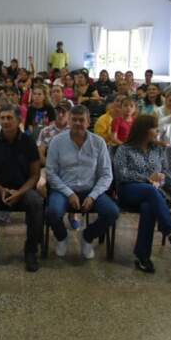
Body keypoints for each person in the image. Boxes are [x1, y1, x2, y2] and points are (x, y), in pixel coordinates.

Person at [114, 115, 171, 273]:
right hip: (129, 190)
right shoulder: (124, 149)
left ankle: (143, 258)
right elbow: (121, 174)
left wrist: (164, 181)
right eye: (155, 128)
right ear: (144, 130)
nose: (158, 131)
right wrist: (148, 179)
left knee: (148, 207)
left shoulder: (159, 149)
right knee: (150, 191)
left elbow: (166, 174)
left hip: (153, 194)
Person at [45, 105, 119, 260]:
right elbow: (50, 173)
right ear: (69, 121)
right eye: (74, 120)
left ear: (88, 122)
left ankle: (87, 236)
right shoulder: (57, 142)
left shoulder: (98, 143)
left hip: (91, 189)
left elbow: (106, 174)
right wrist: (69, 193)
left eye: (81, 120)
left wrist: (93, 195)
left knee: (112, 212)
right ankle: (62, 237)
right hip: (63, 189)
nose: (78, 123)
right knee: (52, 212)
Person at [0, 103, 45, 271]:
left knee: (36, 201)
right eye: (2, 118)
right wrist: (1, 189)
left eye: (10, 118)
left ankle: (31, 251)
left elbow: (35, 175)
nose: (6, 121)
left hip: (23, 190)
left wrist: (20, 192)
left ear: (18, 120)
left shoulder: (29, 142)